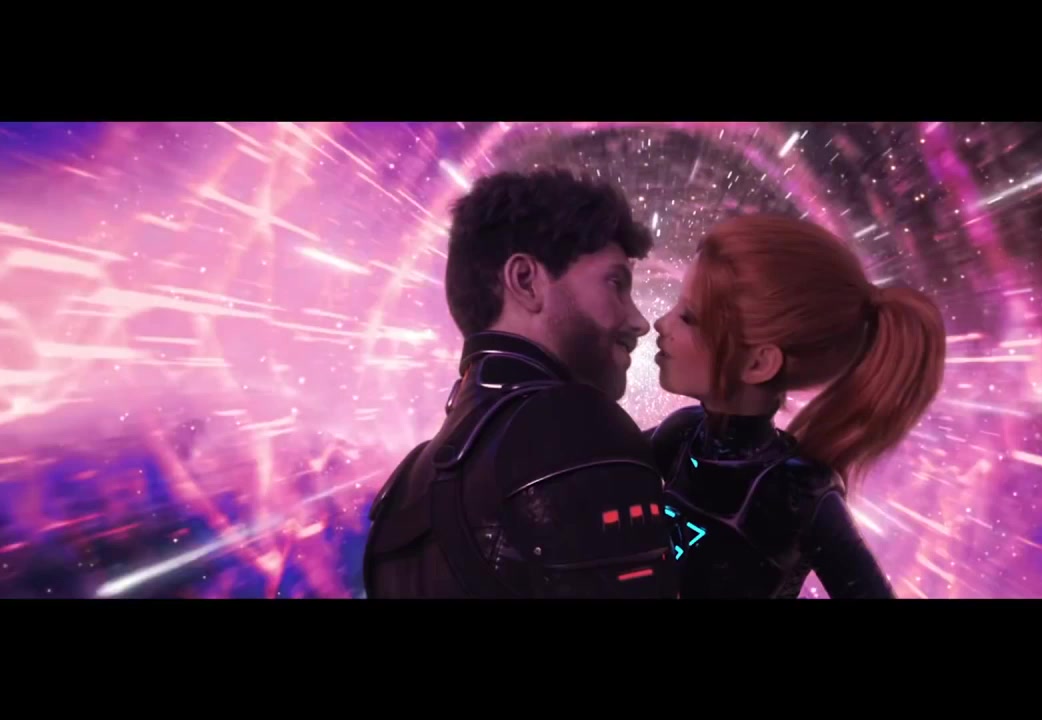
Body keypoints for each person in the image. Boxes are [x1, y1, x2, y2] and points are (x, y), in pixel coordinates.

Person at [363, 170, 677, 598]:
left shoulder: (407, 480)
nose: (638, 321)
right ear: (526, 280)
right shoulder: (572, 425)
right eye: (616, 284)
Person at [648, 214, 946, 599]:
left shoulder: (797, 494)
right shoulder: (682, 434)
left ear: (759, 363)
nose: (661, 324)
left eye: (689, 318)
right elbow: (593, 467)